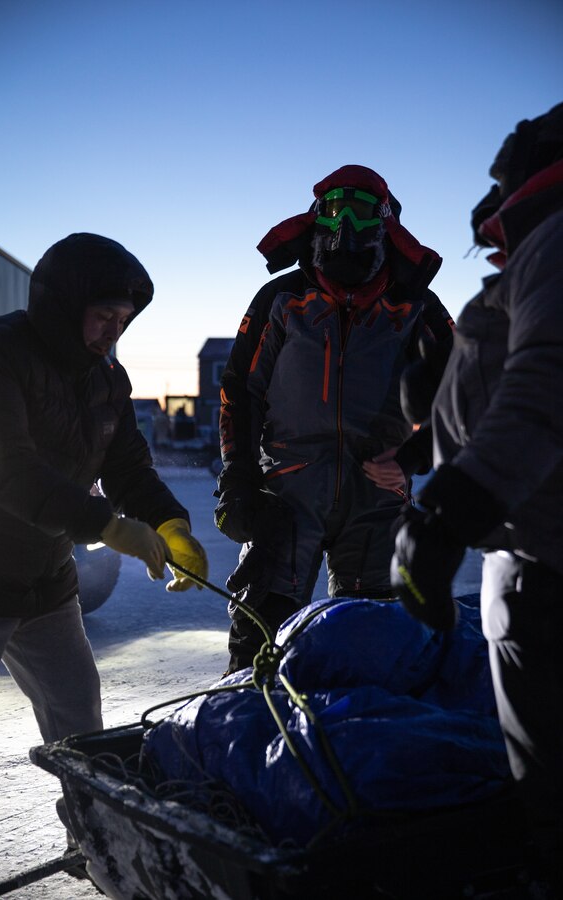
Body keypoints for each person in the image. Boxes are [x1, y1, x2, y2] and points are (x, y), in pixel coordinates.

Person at [0, 232, 209, 884]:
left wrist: (171, 524)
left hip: (46, 585)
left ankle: (97, 844)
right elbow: (1, 467)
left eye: (123, 321)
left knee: (82, 728)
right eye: (103, 316)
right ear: (62, 305)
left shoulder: (107, 379)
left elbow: (128, 467)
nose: (112, 332)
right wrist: (107, 526)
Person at [390, 103, 563, 893]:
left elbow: (548, 384)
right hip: (531, 553)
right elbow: (513, 391)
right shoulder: (539, 250)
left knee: (553, 780)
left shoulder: (556, 236)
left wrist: (445, 511)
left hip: (546, 561)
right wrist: (433, 424)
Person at [214, 165, 453, 673]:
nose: (345, 222)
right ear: (316, 217)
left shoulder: (415, 306)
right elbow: (240, 391)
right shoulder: (282, 299)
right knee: (261, 644)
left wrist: (416, 455)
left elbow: (466, 389)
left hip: (377, 497)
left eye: (361, 210)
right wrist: (237, 475)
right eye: (334, 208)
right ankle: (247, 714)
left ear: (384, 222)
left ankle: (357, 720)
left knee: (374, 647)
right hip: (287, 492)